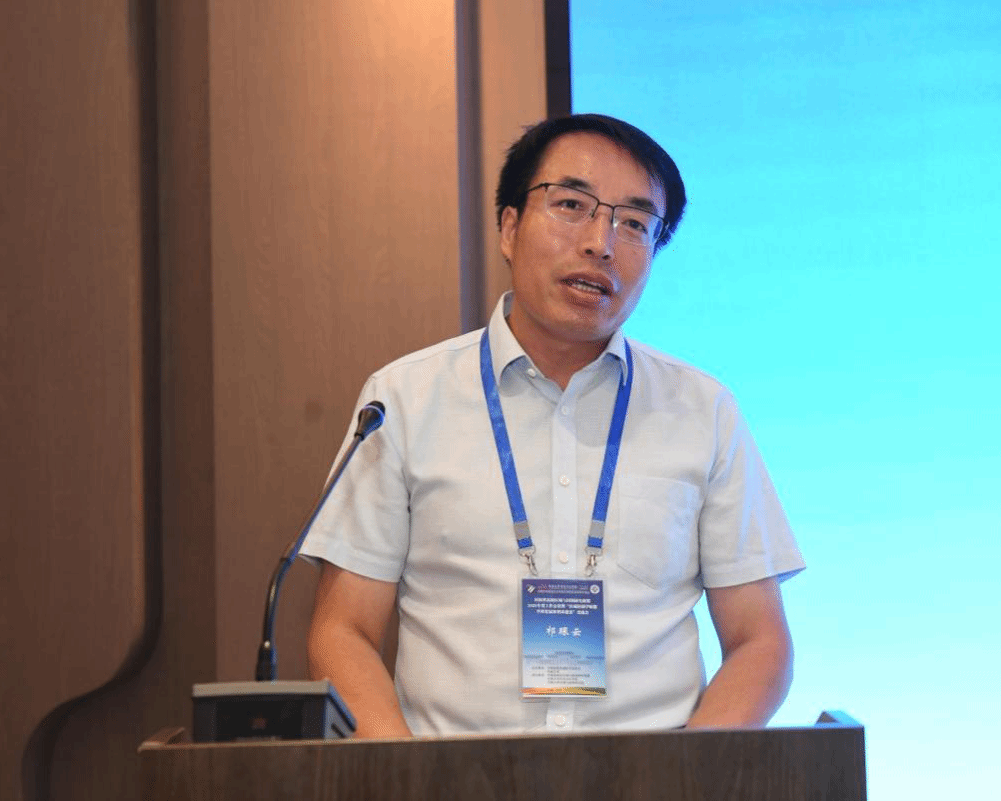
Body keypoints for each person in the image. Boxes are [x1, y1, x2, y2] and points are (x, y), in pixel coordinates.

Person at [301, 113, 804, 738]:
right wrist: (408, 777)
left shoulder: (704, 411)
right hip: (455, 779)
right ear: (510, 228)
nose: (601, 242)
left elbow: (760, 643)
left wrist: (687, 777)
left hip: (652, 779)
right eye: (571, 205)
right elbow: (342, 630)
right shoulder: (403, 400)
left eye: (635, 223)